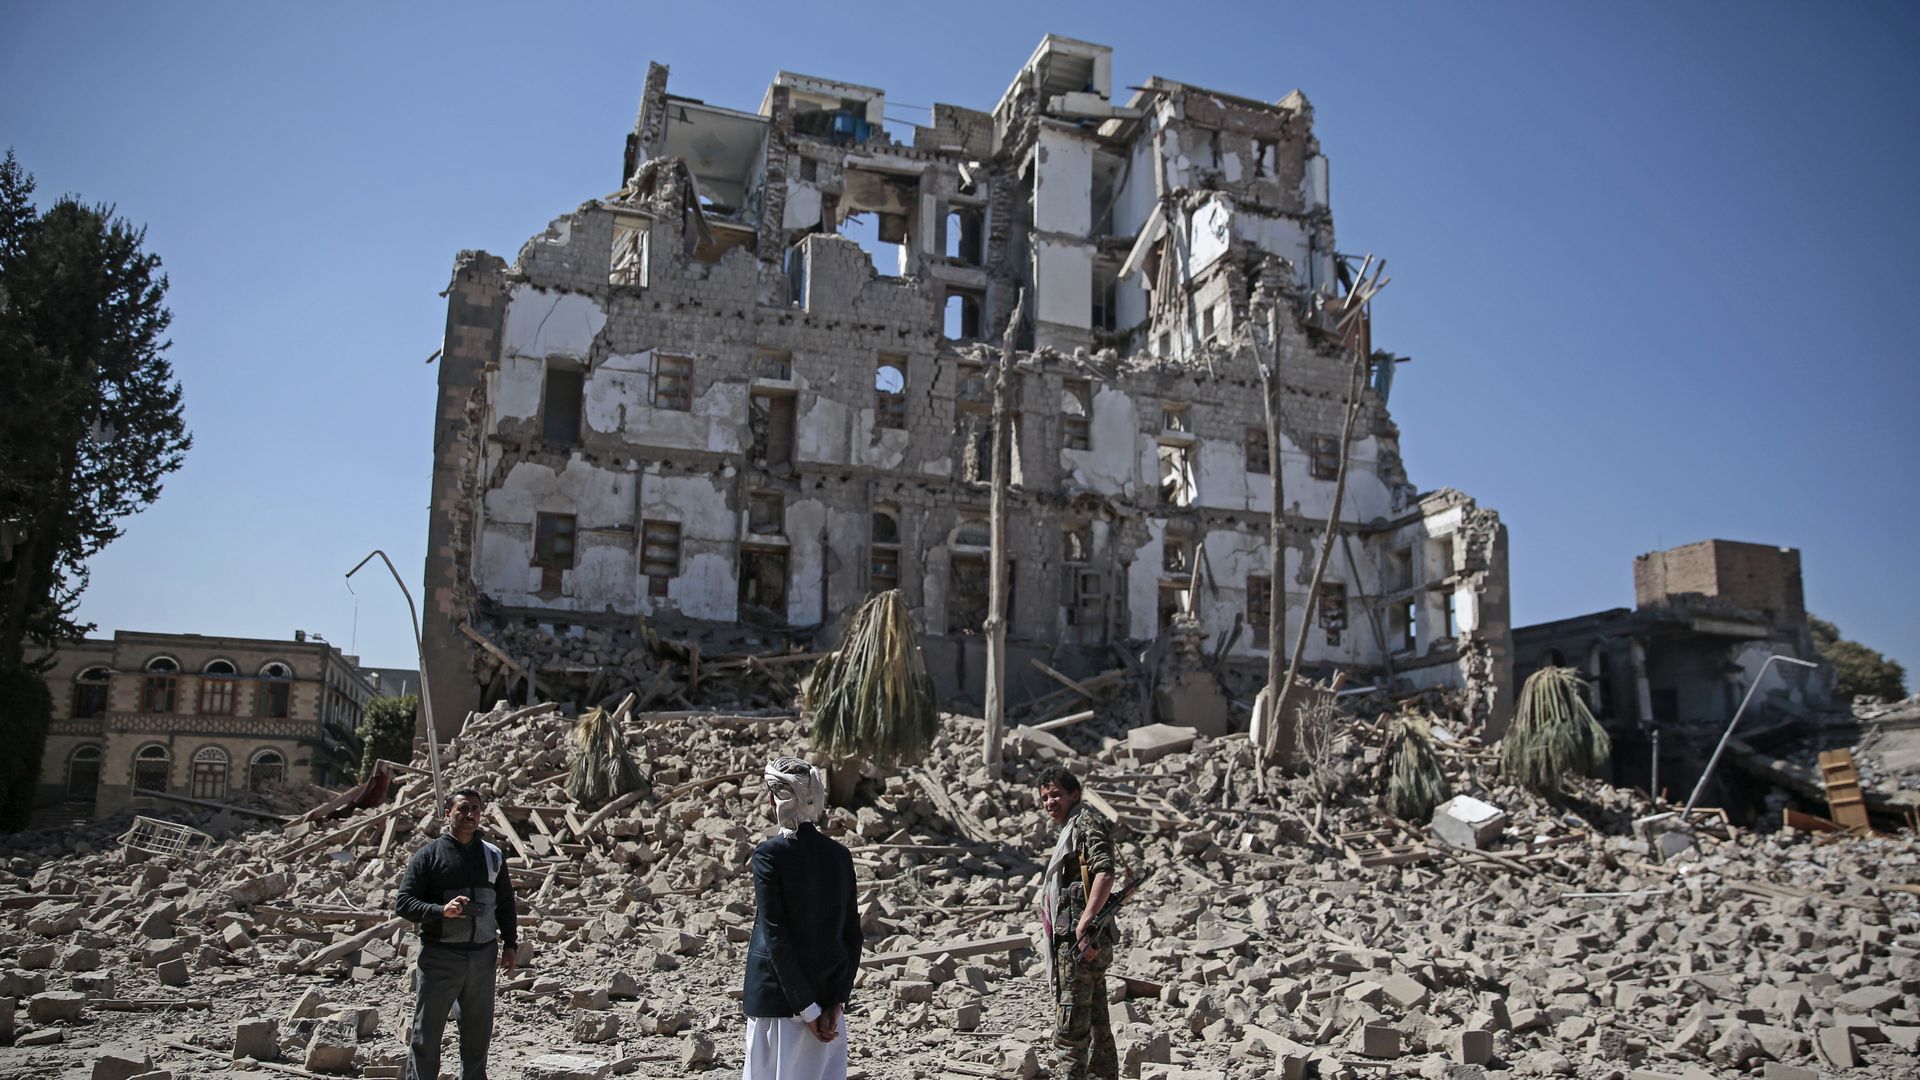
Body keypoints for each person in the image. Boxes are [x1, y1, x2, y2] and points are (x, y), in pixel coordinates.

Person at [741, 756, 862, 1080]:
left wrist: (806, 1009)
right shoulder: (839, 855)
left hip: (779, 1006)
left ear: (774, 800)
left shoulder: (769, 855)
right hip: (827, 1010)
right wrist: (835, 1003)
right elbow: (852, 936)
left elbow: (776, 936)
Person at [395, 788, 518, 1080]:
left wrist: (511, 944)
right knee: (427, 1034)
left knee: (477, 1035)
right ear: (447, 813)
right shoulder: (429, 856)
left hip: (483, 958)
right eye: (463, 809)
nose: (470, 815)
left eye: (475, 809)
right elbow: (404, 902)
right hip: (440, 956)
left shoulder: (493, 856)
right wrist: (440, 910)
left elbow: (505, 903)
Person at [1036, 765, 1117, 1080]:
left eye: (1056, 794)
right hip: (1082, 941)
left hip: (1080, 942)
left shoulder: (1085, 822)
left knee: (1070, 1029)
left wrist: (1085, 921)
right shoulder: (1072, 827)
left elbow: (1105, 871)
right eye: (1045, 797)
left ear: (1074, 794)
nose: (1050, 802)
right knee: (1097, 1021)